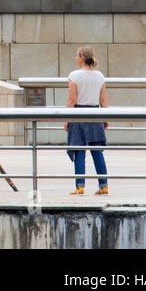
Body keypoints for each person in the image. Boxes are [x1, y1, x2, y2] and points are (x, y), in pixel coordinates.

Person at [66, 45, 109, 196]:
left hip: (78, 114)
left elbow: (71, 100)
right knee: (97, 152)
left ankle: (80, 186)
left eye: (77, 55)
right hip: (95, 113)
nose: (75, 58)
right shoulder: (100, 76)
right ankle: (103, 185)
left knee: (79, 152)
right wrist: (105, 117)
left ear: (82, 57)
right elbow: (103, 100)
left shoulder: (74, 76)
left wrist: (66, 119)